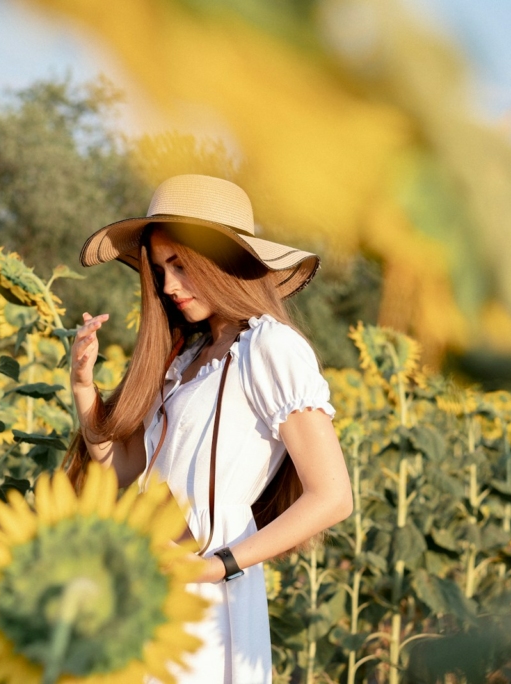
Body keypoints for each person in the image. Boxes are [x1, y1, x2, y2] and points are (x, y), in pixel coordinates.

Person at [65, 174, 353, 683]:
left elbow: (332, 496)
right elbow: (127, 471)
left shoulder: (270, 347)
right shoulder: (185, 358)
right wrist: (85, 387)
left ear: (225, 261)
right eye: (160, 271)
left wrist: (218, 567)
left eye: (181, 265)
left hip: (207, 592)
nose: (169, 286)